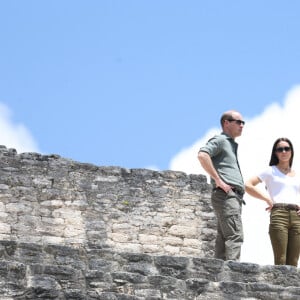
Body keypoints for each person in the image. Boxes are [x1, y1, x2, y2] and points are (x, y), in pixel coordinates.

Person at [197, 110, 246, 261]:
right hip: (226, 194)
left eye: (243, 122)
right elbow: (202, 154)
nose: (242, 125)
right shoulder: (221, 140)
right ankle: (234, 271)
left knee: (223, 237)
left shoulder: (229, 144)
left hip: (231, 195)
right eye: (238, 122)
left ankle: (219, 272)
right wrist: (218, 180)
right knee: (235, 234)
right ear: (226, 123)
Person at [245, 137, 300, 267]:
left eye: (287, 148)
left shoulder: (297, 174)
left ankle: (291, 288)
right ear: (275, 153)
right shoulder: (270, 171)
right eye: (280, 149)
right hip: (279, 214)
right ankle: (281, 287)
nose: (284, 151)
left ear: (291, 151)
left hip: (297, 216)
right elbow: (248, 185)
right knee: (281, 259)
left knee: (293, 261)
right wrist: (267, 199)